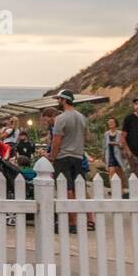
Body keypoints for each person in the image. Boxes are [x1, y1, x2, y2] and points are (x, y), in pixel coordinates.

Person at [49, 90, 91, 232]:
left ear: (64, 100)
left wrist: (52, 157)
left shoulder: (61, 118)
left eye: (59, 100)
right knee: (80, 189)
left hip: (63, 157)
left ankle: (72, 222)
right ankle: (87, 220)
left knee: (67, 189)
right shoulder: (82, 117)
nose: (58, 102)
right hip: (78, 156)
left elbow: (56, 140)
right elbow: (87, 137)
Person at [102, 116, 126, 182]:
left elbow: (124, 145)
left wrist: (116, 144)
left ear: (116, 123)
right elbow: (104, 145)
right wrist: (103, 155)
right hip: (110, 155)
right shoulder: (106, 134)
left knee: (119, 174)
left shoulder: (120, 133)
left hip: (119, 155)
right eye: (109, 122)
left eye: (112, 122)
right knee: (111, 172)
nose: (110, 123)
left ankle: (121, 190)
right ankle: (113, 190)